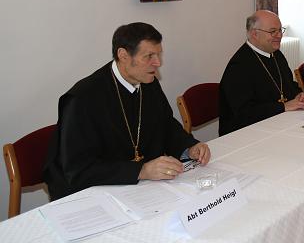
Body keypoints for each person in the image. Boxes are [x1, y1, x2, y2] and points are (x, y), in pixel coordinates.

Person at [43, 22, 211, 200]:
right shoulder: (82, 99)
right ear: (123, 55)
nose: (158, 63)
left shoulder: (147, 81)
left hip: (141, 190)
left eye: (158, 54)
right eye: (149, 56)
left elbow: (166, 125)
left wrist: (189, 147)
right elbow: (79, 169)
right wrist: (141, 170)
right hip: (92, 195)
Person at [219, 10, 304, 135]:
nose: (279, 35)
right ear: (254, 34)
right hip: (244, 134)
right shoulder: (239, 67)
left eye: (280, 30)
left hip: (277, 123)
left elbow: (289, 85)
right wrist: (283, 107)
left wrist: (299, 95)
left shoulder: (276, 54)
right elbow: (244, 113)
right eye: (273, 31)